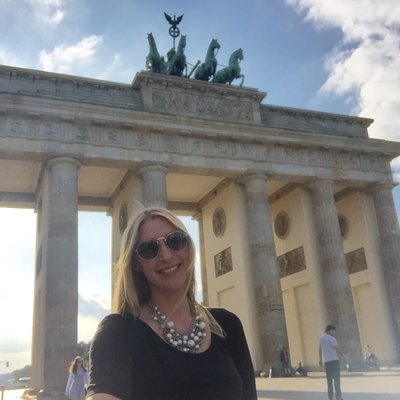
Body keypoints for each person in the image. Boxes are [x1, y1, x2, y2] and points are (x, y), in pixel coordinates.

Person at [86, 206, 257, 400]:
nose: (166, 256)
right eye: (149, 249)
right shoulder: (118, 332)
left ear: (188, 247)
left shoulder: (227, 324)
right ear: (135, 263)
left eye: (175, 241)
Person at [319, 325, 344, 400]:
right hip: (334, 361)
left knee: (329, 381)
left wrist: (320, 360)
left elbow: (320, 350)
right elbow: (336, 348)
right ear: (330, 330)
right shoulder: (332, 338)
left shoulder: (321, 338)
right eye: (333, 331)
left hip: (327, 362)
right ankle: (338, 397)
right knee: (336, 380)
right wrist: (342, 355)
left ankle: (330, 397)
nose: (334, 332)